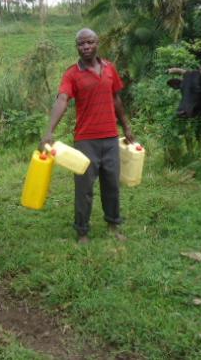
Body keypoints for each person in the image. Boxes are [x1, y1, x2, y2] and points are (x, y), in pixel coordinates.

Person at [41, 28, 135, 244]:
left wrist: (127, 127)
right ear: (77, 47)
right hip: (85, 141)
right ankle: (82, 231)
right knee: (84, 189)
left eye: (89, 42)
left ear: (97, 43)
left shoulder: (109, 68)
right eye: (81, 44)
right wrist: (49, 131)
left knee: (111, 185)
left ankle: (113, 225)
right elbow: (62, 100)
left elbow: (116, 99)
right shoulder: (72, 74)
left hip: (110, 138)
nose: (85, 47)